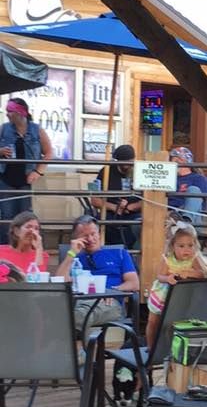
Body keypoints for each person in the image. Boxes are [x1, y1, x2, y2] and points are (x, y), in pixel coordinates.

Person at [56, 215, 139, 335]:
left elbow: (134, 283)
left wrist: (110, 291)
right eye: (85, 236)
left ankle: (66, 343)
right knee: (71, 313)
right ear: (76, 238)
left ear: (99, 234)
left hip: (108, 302)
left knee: (79, 315)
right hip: (78, 300)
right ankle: (80, 345)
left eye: (93, 234)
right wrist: (71, 254)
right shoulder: (74, 258)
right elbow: (59, 281)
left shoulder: (119, 253)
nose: (90, 239)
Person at [145, 221, 207, 349]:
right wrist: (168, 278)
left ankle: (172, 348)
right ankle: (150, 346)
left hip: (180, 297)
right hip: (161, 295)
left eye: (190, 245)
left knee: (173, 323)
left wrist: (190, 273)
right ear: (172, 246)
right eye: (181, 246)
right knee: (153, 322)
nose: (186, 250)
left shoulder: (194, 258)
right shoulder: (167, 259)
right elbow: (159, 276)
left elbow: (202, 274)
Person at [0, 98, 53, 245]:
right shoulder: (4, 129)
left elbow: (48, 152)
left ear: (20, 113)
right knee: (7, 217)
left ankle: (25, 246)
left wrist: (38, 172)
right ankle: (7, 248)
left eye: (10, 111)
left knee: (25, 217)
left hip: (26, 180)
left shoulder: (36, 130)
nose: (7, 114)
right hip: (6, 179)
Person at [90, 144, 141, 248]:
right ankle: (113, 250)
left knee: (142, 223)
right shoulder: (106, 171)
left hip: (134, 213)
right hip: (111, 212)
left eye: (131, 162)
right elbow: (94, 200)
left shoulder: (140, 172)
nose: (129, 166)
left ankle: (131, 251)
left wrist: (130, 207)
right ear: (118, 161)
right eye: (125, 162)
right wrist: (114, 207)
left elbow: (148, 200)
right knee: (97, 222)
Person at [0, 210, 49, 275]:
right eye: (28, 227)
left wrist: (39, 248)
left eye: (36, 228)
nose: (32, 231)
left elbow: (39, 278)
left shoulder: (41, 255)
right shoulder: (1, 251)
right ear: (16, 231)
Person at [167, 147, 207, 222]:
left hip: (191, 215)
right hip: (168, 213)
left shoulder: (198, 178)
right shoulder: (167, 178)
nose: (174, 164)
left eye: (178, 161)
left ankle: (186, 220)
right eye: (172, 161)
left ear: (187, 162)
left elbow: (199, 201)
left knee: (194, 190)